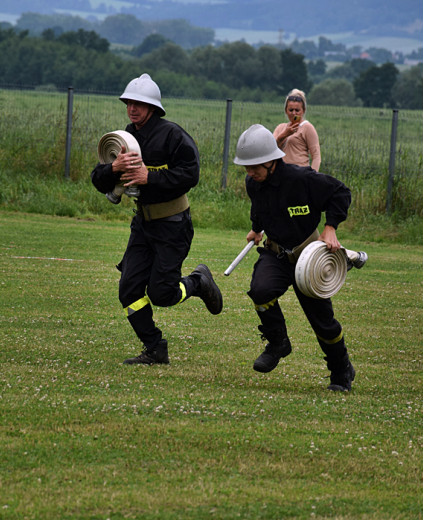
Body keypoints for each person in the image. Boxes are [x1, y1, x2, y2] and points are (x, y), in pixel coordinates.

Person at [91, 73, 223, 365]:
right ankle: (154, 347)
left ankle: (198, 282)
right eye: (128, 103)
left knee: (162, 294)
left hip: (173, 225)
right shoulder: (125, 138)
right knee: (129, 290)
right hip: (143, 225)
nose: (132, 108)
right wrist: (113, 168)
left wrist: (149, 177)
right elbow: (98, 180)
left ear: (153, 107)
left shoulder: (173, 135)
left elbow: (191, 174)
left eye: (138, 103)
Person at [234, 124, 356, 392]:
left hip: (308, 259)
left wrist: (330, 227)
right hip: (275, 253)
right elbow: (260, 209)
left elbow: (340, 193)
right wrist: (256, 228)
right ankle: (278, 342)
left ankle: (341, 371)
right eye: (246, 167)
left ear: (271, 160)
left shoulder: (302, 179)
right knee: (260, 291)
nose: (250, 172)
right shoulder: (254, 183)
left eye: (255, 166)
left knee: (323, 323)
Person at [272, 89, 321, 171]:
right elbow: (271, 149)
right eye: (291, 110)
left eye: (297, 110)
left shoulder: (307, 128)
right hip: (281, 174)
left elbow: (316, 157)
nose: (294, 113)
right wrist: (285, 134)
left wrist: (311, 178)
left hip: (300, 174)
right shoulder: (281, 127)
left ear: (303, 110)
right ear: (286, 110)